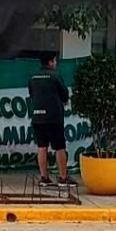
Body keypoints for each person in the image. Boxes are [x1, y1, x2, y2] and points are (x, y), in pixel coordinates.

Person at [28, 52, 77, 187]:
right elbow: (65, 95)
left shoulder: (33, 77)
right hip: (53, 118)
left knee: (41, 147)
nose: (56, 63)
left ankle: (44, 178)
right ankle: (63, 177)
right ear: (50, 62)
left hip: (37, 117)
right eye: (55, 61)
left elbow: (31, 94)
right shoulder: (55, 76)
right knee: (59, 147)